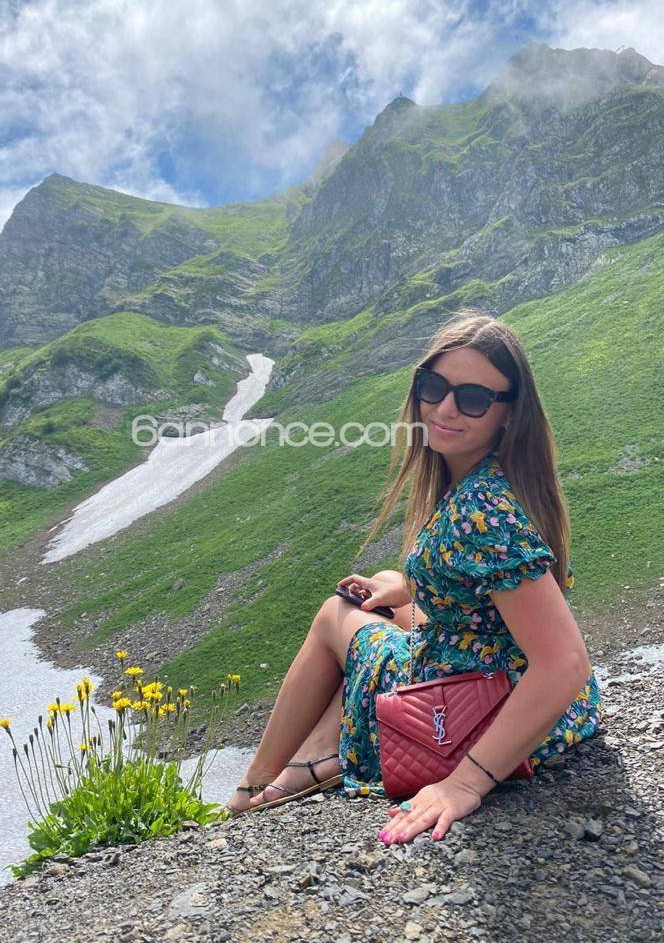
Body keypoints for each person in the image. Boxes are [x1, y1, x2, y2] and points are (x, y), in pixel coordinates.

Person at [224, 309, 603, 845]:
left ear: (508, 413)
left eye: (473, 398)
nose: (445, 408)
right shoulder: (502, 476)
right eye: (434, 387)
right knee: (385, 588)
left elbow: (565, 663)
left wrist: (465, 783)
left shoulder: (482, 511)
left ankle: (256, 783)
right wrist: (405, 586)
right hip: (515, 683)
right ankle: (324, 751)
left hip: (477, 713)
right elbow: (481, 580)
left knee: (335, 615)